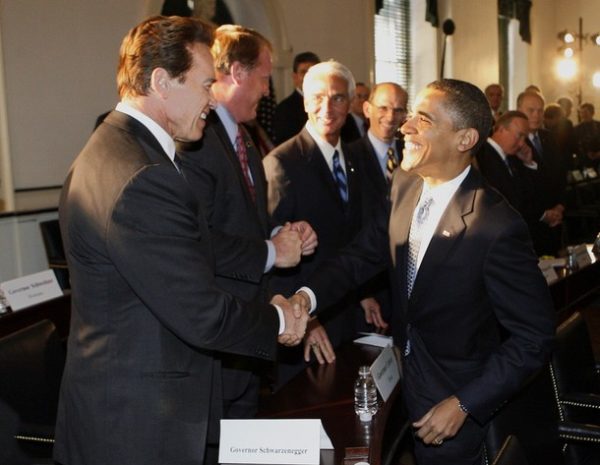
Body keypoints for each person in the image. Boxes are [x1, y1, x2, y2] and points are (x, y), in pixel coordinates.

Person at [54, 16, 308, 465]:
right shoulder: (142, 175)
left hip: (129, 408)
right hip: (138, 426)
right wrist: (279, 320)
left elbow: (190, 252)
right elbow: (200, 312)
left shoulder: (115, 149)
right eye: (205, 84)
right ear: (161, 81)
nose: (212, 100)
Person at [294, 79, 555, 465]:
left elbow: (535, 337)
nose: (405, 126)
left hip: (456, 407)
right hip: (406, 384)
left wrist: (466, 403)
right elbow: (361, 256)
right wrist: (305, 297)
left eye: (423, 119)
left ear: (464, 138)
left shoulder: (496, 226)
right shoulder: (403, 183)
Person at [178, 25, 317, 421]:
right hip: (220, 335)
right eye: (264, 77)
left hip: (247, 335)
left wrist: (282, 233)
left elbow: (244, 221)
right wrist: (274, 251)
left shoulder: (243, 137)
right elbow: (198, 241)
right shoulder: (198, 139)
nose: (268, 91)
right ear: (237, 73)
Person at [263, 60, 385, 386]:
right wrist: (305, 316)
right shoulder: (281, 163)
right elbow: (273, 254)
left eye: (338, 98)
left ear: (351, 103)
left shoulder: (358, 159)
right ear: (304, 101)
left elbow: (357, 237)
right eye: (317, 97)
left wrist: (362, 293)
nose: (327, 108)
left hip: (348, 313)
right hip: (305, 326)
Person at [517, 90, 567, 256]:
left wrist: (560, 206)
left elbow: (560, 174)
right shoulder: (515, 142)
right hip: (530, 222)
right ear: (519, 111)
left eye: (540, 111)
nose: (536, 115)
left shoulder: (550, 138)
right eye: (531, 110)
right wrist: (543, 214)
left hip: (555, 218)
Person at [475, 111, 540, 233]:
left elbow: (529, 196)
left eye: (524, 138)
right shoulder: (480, 156)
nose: (521, 143)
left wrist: (528, 163)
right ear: (501, 129)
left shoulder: (514, 158)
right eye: (519, 135)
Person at [273, 51, 320, 144]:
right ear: (295, 77)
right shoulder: (284, 109)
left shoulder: (329, 104)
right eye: (303, 72)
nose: (308, 76)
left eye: (312, 71)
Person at [574, 102, 600, 167]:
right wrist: (586, 153)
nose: (583, 115)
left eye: (585, 112)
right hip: (584, 161)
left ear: (592, 113)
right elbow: (575, 144)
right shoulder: (577, 128)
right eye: (581, 112)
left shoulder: (599, 125)